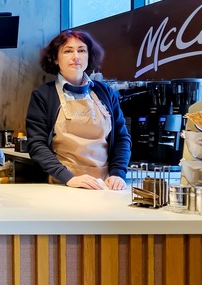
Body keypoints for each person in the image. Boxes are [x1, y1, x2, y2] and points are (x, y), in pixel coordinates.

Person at [25, 30, 131, 190]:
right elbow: (37, 145)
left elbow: (122, 138)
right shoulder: (44, 95)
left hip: (105, 186)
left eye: (81, 50)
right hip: (63, 185)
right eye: (68, 51)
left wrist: (118, 173)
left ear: (89, 56)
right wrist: (68, 178)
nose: (76, 56)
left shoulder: (105, 92)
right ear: (55, 58)